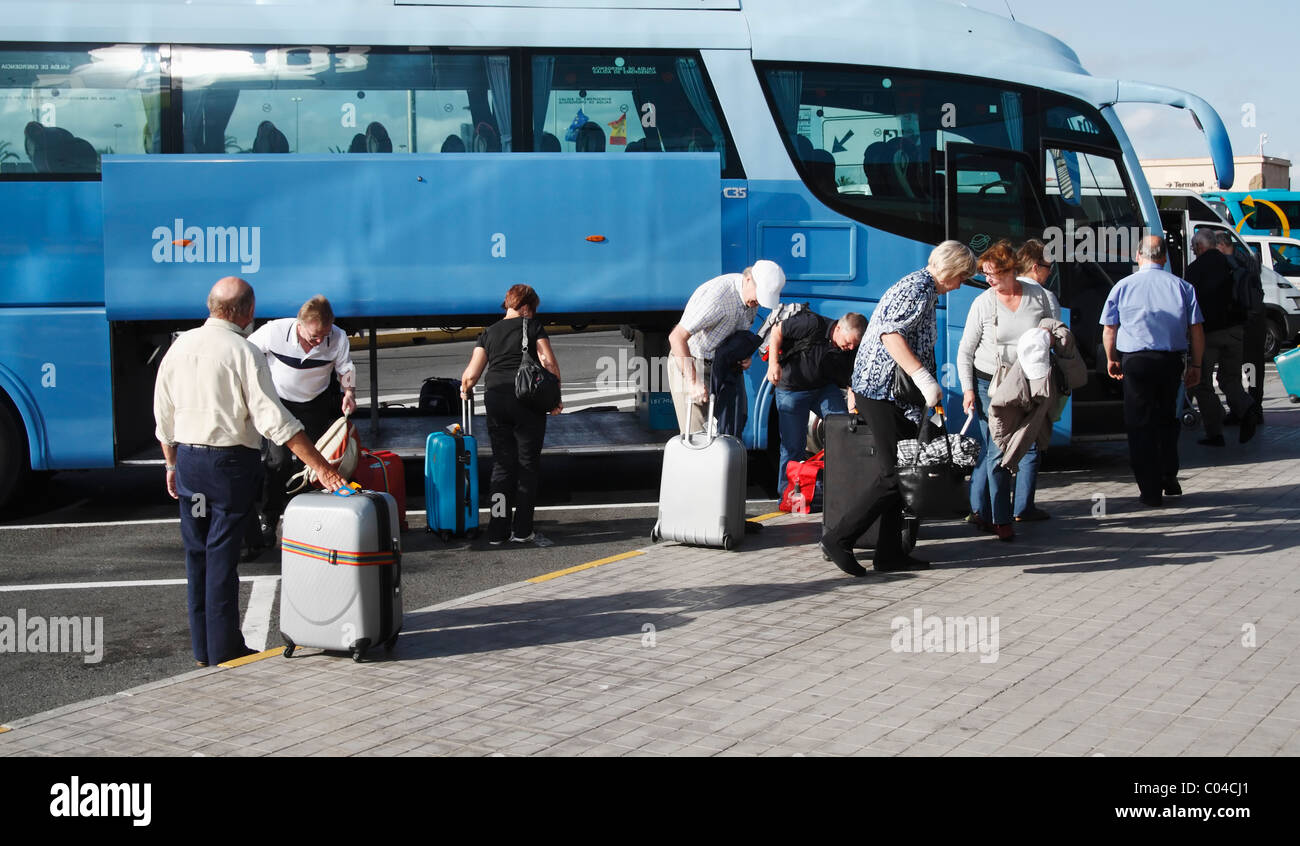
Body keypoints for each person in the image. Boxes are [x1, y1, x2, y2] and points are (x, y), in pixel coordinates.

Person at [153, 277, 345, 668]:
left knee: (197, 554)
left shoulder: (179, 347)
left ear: (211, 305)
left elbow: (163, 416)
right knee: (222, 555)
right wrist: (322, 468)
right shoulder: (243, 352)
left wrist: (171, 464)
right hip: (228, 465)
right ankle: (223, 647)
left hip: (189, 463)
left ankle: (202, 648)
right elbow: (277, 422)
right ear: (247, 311)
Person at [821, 240, 977, 575]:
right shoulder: (917, 289)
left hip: (893, 395)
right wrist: (923, 378)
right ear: (950, 270)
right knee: (895, 474)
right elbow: (891, 335)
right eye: (962, 277)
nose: (960, 284)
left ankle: (890, 553)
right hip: (880, 392)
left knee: (909, 469)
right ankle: (838, 538)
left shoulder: (923, 288)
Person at [958, 239, 1061, 541]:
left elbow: (1056, 328)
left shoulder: (1038, 295)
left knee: (1020, 447)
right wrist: (967, 390)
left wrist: (1047, 339)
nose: (989, 280)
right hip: (988, 383)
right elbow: (965, 350)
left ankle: (984, 513)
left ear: (1011, 270)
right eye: (986, 275)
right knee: (995, 450)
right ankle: (1001, 519)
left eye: (994, 274)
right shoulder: (984, 302)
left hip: (1027, 383)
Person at [1100, 236, 1205, 508]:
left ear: (1138, 255)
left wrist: (1112, 359)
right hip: (1170, 360)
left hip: (1135, 361)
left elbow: (1109, 329)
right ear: (1164, 257)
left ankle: (1149, 489)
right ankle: (1168, 475)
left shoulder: (1122, 286)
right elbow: (1196, 330)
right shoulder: (1183, 287)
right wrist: (1197, 365)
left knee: (1139, 424)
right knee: (1168, 418)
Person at [247, 295, 358, 550]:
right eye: (313, 337)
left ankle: (312, 521)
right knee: (278, 462)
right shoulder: (274, 331)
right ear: (299, 323)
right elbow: (246, 354)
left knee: (318, 464)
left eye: (323, 336)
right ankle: (268, 519)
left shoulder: (338, 337)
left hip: (315, 403)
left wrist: (349, 392)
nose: (318, 342)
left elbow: (345, 367)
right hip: (279, 403)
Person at [460, 284, 562, 545]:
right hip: (527, 400)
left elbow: (471, 374)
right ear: (526, 306)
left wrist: (465, 390)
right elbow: (548, 362)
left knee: (502, 465)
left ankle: (497, 530)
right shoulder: (533, 327)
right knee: (527, 466)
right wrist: (555, 398)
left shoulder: (488, 333)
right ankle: (522, 530)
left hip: (495, 401)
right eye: (534, 308)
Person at [667, 260, 786, 437]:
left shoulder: (751, 300)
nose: (758, 303)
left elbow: (736, 335)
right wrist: (693, 382)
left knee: (729, 430)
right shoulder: (717, 298)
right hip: (693, 362)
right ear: (747, 280)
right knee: (698, 438)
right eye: (759, 296)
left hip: (721, 364)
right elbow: (676, 337)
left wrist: (744, 357)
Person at [766, 310, 866, 496]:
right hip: (792, 389)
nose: (851, 347)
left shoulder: (850, 348)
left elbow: (852, 382)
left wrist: (853, 409)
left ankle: (842, 488)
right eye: (849, 342)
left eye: (855, 344)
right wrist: (773, 364)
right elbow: (777, 331)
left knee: (844, 429)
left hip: (823, 388)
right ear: (838, 329)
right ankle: (786, 494)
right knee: (793, 445)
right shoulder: (811, 323)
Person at [1184, 230, 1257, 446]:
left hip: (1208, 334)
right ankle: (1248, 407)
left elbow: (1190, 305)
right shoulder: (1233, 263)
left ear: (1199, 246)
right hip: (1236, 330)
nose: (1193, 250)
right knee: (1230, 379)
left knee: (1202, 383)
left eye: (1193, 247)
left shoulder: (1194, 269)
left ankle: (1215, 432)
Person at [1215, 230, 1266, 426]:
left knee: (1238, 367)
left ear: (1221, 246)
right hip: (1255, 320)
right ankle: (1253, 407)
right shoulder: (1248, 261)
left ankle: (1246, 409)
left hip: (1243, 322)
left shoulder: (1231, 265)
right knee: (1252, 367)